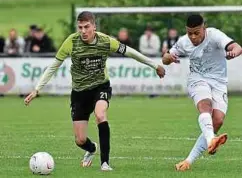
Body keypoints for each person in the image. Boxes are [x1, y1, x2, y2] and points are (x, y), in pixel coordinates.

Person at [24, 11, 165, 171]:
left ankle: (105, 163)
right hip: (79, 93)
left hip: (100, 87)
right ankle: (91, 149)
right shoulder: (71, 42)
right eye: (80, 27)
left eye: (86, 27)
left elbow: (131, 52)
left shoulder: (105, 41)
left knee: (100, 115)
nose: (83, 31)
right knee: (80, 140)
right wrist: (37, 90)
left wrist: (155, 65)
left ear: (94, 26)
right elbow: (54, 66)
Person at [162, 14, 242, 171]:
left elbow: (237, 47)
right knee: (205, 105)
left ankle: (188, 161)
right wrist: (169, 58)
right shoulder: (184, 42)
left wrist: (234, 53)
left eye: (196, 33)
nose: (193, 37)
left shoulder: (215, 35)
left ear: (204, 28)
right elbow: (164, 58)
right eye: (190, 33)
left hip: (219, 82)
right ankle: (212, 139)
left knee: (217, 120)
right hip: (198, 79)